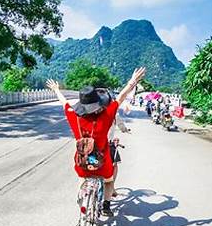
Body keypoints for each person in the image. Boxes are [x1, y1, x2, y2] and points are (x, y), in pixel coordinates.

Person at [46, 67, 146, 217]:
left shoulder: (74, 116)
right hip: (102, 161)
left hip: (82, 162)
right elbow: (121, 97)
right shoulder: (106, 115)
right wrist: (133, 81)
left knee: (82, 176)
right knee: (108, 180)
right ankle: (106, 205)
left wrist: (56, 90)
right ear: (98, 103)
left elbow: (64, 103)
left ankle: (82, 200)